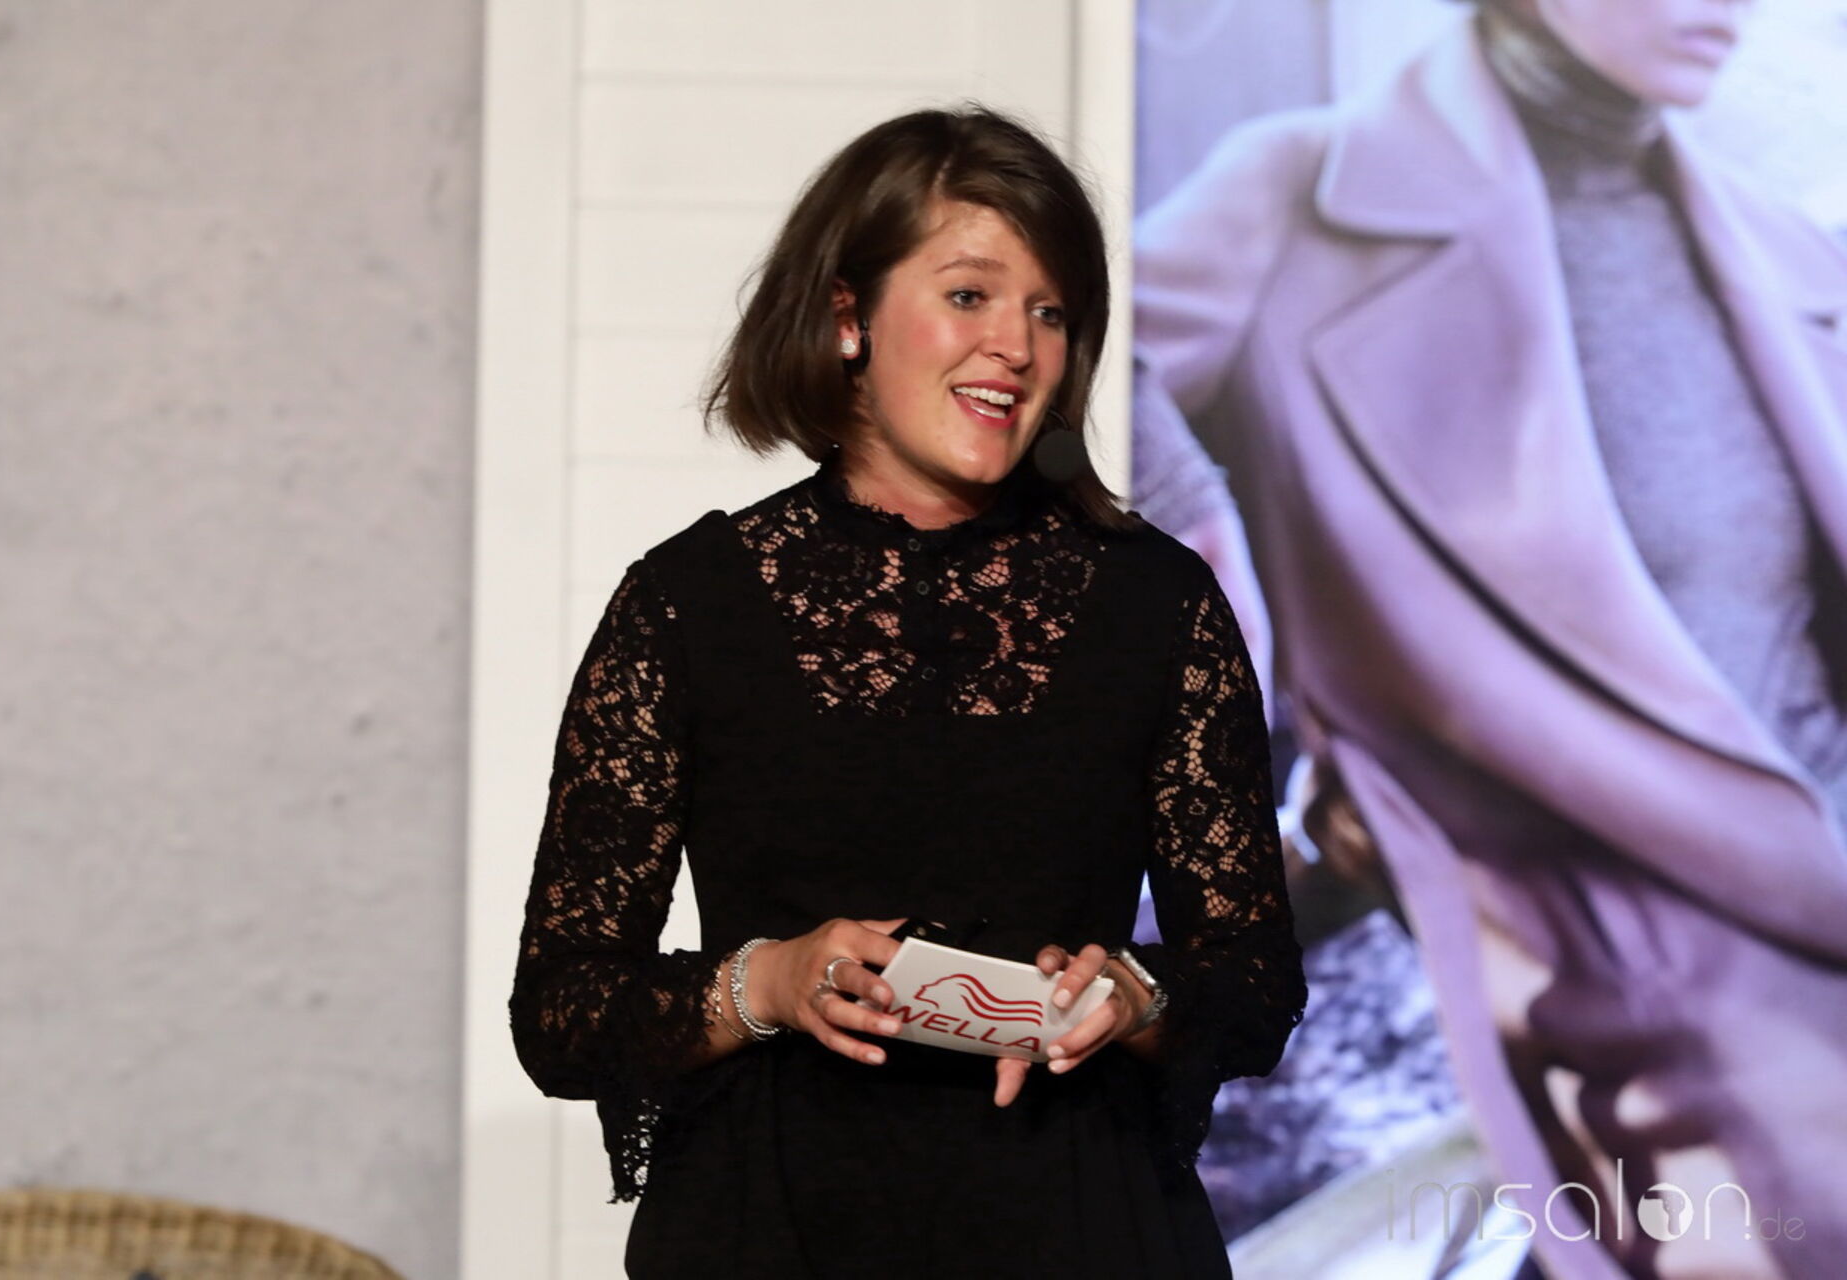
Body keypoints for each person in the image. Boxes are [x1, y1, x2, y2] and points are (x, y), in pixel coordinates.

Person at [509, 106, 1306, 1278]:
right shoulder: (687, 603)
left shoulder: (1160, 603)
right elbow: (563, 1009)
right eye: (970, 295)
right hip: (768, 1236)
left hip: (1086, 1229)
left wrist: (1135, 993)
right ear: (848, 317)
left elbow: (1253, 979)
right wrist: (767, 982)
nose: (1016, 346)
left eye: (1050, 311)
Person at [1133, 1, 1847, 1277]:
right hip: (1618, 974)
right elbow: (1056, 361)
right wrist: (1204, 540)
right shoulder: (1304, 197)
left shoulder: (1789, 252)